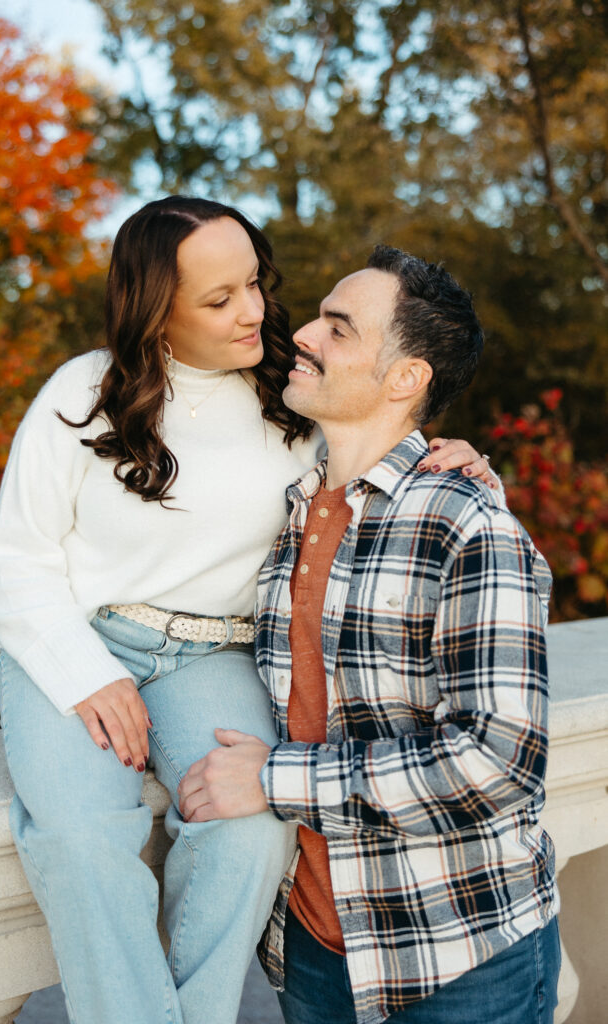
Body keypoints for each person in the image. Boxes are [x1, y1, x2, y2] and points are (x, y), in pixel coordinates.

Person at [0, 197, 494, 1024]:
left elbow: (381, 440)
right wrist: (85, 676)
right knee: (82, 844)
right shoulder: (81, 392)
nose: (254, 312)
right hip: (73, 644)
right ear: (157, 312)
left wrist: (459, 454)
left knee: (252, 830)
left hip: (213, 654)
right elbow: (16, 559)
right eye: (219, 300)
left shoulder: (288, 400)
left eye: (254, 283)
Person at [178, 245, 560, 1024]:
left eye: (338, 328)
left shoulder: (467, 521)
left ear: (404, 378)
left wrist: (274, 779)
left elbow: (498, 764)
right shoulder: (283, 505)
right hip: (313, 950)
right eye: (317, 317)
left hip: (456, 957)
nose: (305, 336)